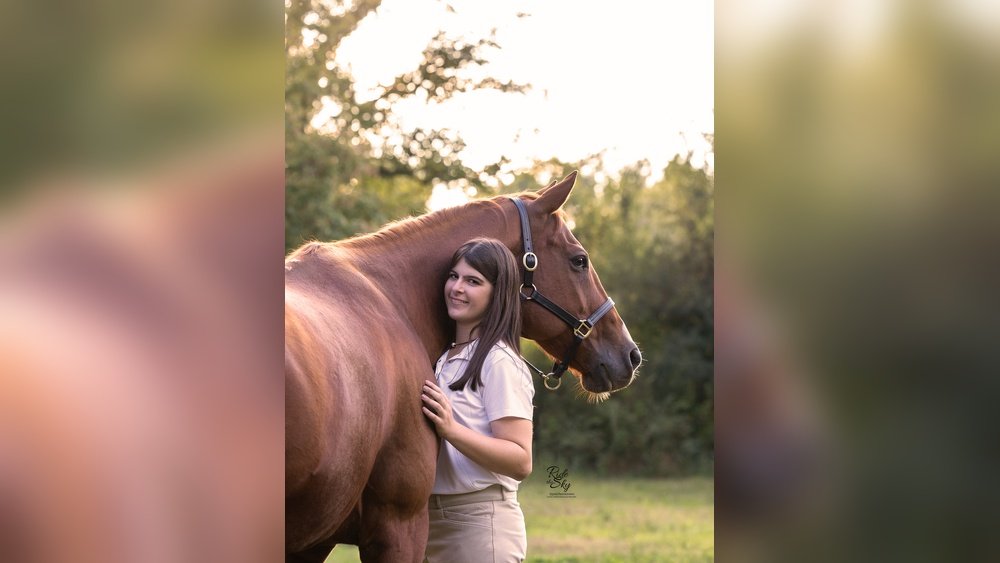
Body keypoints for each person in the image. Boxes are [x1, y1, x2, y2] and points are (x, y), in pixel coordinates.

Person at [420, 237, 535, 563]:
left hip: (479, 522)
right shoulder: (442, 358)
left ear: (496, 293)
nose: (457, 287)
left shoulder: (499, 361)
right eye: (453, 276)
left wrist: (451, 429)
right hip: (430, 520)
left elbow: (520, 459)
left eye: (473, 281)